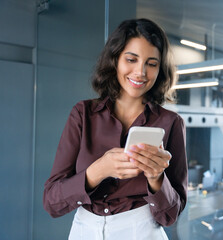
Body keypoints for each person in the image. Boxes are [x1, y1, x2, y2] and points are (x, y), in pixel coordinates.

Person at [43, 18, 188, 240]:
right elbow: (52, 202)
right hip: (84, 230)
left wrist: (156, 178)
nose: (140, 72)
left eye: (151, 63)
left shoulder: (171, 123)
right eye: (131, 59)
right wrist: (97, 171)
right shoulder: (83, 113)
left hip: (142, 231)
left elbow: (170, 216)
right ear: (115, 60)